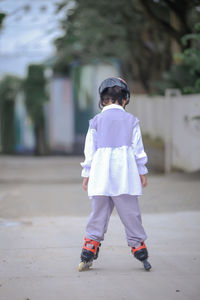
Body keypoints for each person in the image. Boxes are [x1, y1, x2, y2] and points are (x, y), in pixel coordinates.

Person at [78, 77, 151, 272]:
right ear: (125, 99)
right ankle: (138, 246)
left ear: (102, 100)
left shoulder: (96, 121)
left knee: (98, 213)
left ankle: (89, 247)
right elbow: (138, 150)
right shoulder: (131, 121)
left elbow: (89, 151)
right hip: (124, 177)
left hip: (100, 177)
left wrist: (87, 173)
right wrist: (142, 171)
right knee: (130, 213)